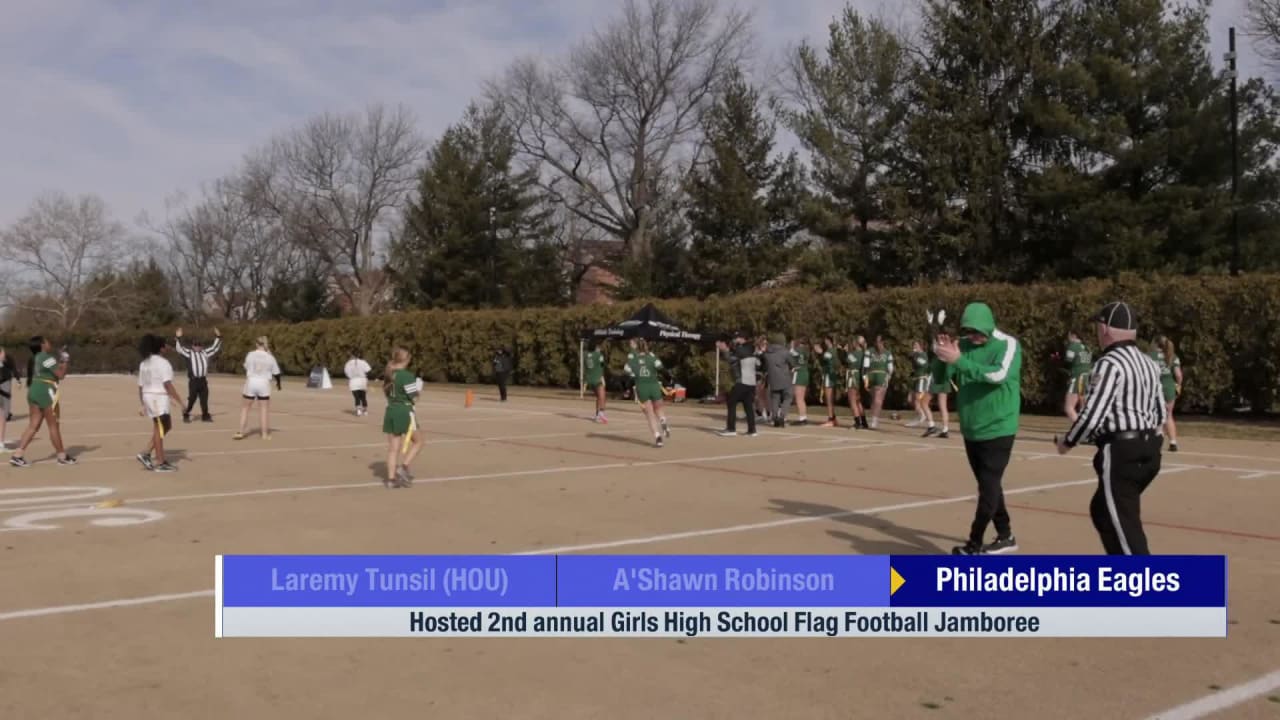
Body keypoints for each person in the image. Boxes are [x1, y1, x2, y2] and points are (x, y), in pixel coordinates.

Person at [1057, 302, 1167, 555]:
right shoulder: (1148, 363)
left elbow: (1093, 415)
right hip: (1150, 450)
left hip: (1122, 453)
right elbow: (1160, 411)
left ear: (1105, 328)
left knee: (1125, 526)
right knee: (1103, 510)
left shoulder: (1109, 364)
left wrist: (1068, 442)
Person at [934, 302, 1023, 555]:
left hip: (1000, 427)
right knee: (990, 486)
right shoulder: (961, 346)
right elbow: (941, 378)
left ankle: (973, 544)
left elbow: (998, 375)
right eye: (970, 331)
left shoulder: (1008, 345)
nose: (974, 336)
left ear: (988, 325)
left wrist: (960, 361)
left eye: (978, 331)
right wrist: (941, 355)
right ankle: (1006, 536)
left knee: (988, 486)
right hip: (972, 428)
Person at [9, 336, 76, 467]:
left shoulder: (35, 358)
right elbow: (60, 375)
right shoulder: (47, 357)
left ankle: (18, 455)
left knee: (33, 425)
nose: (49, 342)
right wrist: (65, 360)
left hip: (34, 390)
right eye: (46, 341)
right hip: (46, 391)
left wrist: (60, 360)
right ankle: (62, 456)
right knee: (53, 425)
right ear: (42, 345)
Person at [135, 334, 185, 473]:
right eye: (166, 345)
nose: (168, 347)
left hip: (150, 396)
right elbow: (167, 384)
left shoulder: (144, 363)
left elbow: (140, 386)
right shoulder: (163, 363)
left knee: (165, 426)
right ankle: (160, 462)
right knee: (160, 428)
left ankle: (146, 453)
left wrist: (143, 403)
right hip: (157, 398)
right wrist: (180, 402)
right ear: (161, 348)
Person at [382, 347, 426, 488]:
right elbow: (414, 398)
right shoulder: (406, 376)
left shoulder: (389, 374)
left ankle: (391, 479)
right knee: (419, 442)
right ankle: (404, 466)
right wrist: (419, 388)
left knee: (393, 448)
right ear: (406, 360)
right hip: (404, 411)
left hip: (391, 410)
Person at [625, 339, 671, 447]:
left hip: (642, 387)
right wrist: (670, 380)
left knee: (649, 414)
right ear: (646, 346)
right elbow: (661, 368)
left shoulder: (633, 359)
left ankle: (658, 437)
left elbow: (626, 370)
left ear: (636, 347)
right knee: (659, 409)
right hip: (653, 385)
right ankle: (663, 421)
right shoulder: (652, 357)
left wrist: (633, 375)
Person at [235, 336, 280, 440]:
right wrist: (279, 384)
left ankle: (240, 431)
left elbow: (246, 366)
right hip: (264, 383)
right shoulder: (270, 357)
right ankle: (264, 434)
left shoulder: (250, 354)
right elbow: (276, 372)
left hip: (252, 381)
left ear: (256, 344)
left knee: (245, 408)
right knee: (264, 409)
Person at [174, 327, 222, 423]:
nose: (197, 347)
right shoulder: (189, 353)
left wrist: (218, 336)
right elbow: (180, 349)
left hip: (203, 380)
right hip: (193, 380)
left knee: (204, 399)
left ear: (202, 346)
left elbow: (214, 348)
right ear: (192, 346)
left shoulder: (205, 352)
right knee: (192, 398)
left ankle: (205, 415)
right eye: (195, 345)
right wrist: (178, 337)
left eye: (199, 345)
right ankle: (186, 414)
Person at [718, 332, 760, 437]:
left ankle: (731, 429)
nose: (734, 340)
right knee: (748, 406)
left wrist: (724, 350)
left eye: (736, 338)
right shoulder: (751, 348)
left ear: (742, 338)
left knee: (731, 402)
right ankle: (752, 430)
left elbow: (731, 360)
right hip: (751, 382)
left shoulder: (741, 349)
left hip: (742, 381)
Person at [1149, 335, 1182, 452]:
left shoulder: (1150, 356)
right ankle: (1173, 442)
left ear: (1155, 343)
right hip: (1169, 387)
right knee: (1168, 415)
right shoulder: (1172, 356)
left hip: (1154, 388)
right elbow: (1178, 375)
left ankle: (1158, 439)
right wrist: (1178, 385)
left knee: (1155, 414)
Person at [763, 334, 796, 428]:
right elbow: (793, 363)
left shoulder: (767, 353)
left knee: (775, 398)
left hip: (773, 379)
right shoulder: (785, 352)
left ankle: (774, 417)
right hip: (785, 378)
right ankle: (782, 416)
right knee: (788, 397)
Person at [922, 342, 953, 439]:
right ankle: (945, 429)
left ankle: (931, 426)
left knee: (924, 403)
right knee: (942, 406)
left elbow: (931, 369)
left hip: (937, 384)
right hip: (943, 384)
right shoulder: (943, 359)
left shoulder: (939, 359)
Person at [863, 336, 894, 430]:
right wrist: (865, 377)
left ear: (883, 342)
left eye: (880, 342)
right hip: (872, 376)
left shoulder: (888, 353)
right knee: (873, 399)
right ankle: (874, 417)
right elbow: (866, 365)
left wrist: (888, 377)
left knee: (878, 399)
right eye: (877, 342)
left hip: (882, 376)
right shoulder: (869, 351)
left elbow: (890, 368)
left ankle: (874, 419)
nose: (878, 344)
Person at [1063, 331, 1092, 423]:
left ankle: (1080, 429)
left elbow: (1068, 361)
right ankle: (1085, 430)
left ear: (1074, 336)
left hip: (1077, 377)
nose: (1068, 338)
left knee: (1069, 408)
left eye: (1069, 335)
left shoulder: (1073, 347)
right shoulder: (1087, 348)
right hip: (1086, 377)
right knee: (1083, 408)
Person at [844, 336, 868, 430]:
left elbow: (847, 361)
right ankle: (863, 421)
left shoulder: (855, 353)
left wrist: (846, 352)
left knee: (852, 400)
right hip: (858, 376)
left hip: (853, 376)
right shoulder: (863, 353)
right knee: (858, 401)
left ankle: (858, 422)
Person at [814, 339, 838, 427]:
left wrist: (820, 352)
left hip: (829, 375)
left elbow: (825, 359)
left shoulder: (830, 351)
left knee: (829, 398)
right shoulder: (830, 351)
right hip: (829, 375)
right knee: (828, 397)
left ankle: (831, 418)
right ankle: (833, 417)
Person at [907, 340, 931, 428]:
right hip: (915, 379)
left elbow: (922, 364)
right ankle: (920, 414)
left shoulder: (923, 355)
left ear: (920, 346)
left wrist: (914, 356)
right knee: (910, 399)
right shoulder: (915, 355)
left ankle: (921, 416)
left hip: (921, 379)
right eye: (913, 344)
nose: (914, 346)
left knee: (917, 399)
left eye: (916, 345)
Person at [0, 348, 20, 450]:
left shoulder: (5, 363)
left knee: (3, 416)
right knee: (2, 417)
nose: (4, 355)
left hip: (3, 390)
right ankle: (1, 444)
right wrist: (6, 394)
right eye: (2, 353)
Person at [584, 341, 609, 423]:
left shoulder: (585, 355)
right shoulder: (599, 355)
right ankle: (601, 412)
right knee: (603, 396)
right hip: (597, 378)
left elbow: (587, 366)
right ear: (596, 347)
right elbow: (602, 365)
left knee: (598, 396)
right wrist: (602, 377)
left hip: (590, 378)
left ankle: (597, 415)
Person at [344, 350, 373, 417]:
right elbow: (368, 370)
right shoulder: (363, 362)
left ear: (353, 355)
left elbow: (346, 372)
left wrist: (351, 376)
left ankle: (358, 411)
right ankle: (365, 411)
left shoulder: (348, 363)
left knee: (356, 397)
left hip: (353, 381)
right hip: (362, 380)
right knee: (363, 397)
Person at [789, 339, 811, 426]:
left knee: (798, 398)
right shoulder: (806, 350)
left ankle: (802, 418)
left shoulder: (798, 349)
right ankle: (803, 417)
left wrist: (791, 345)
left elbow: (791, 353)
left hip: (799, 373)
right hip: (805, 372)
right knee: (801, 398)